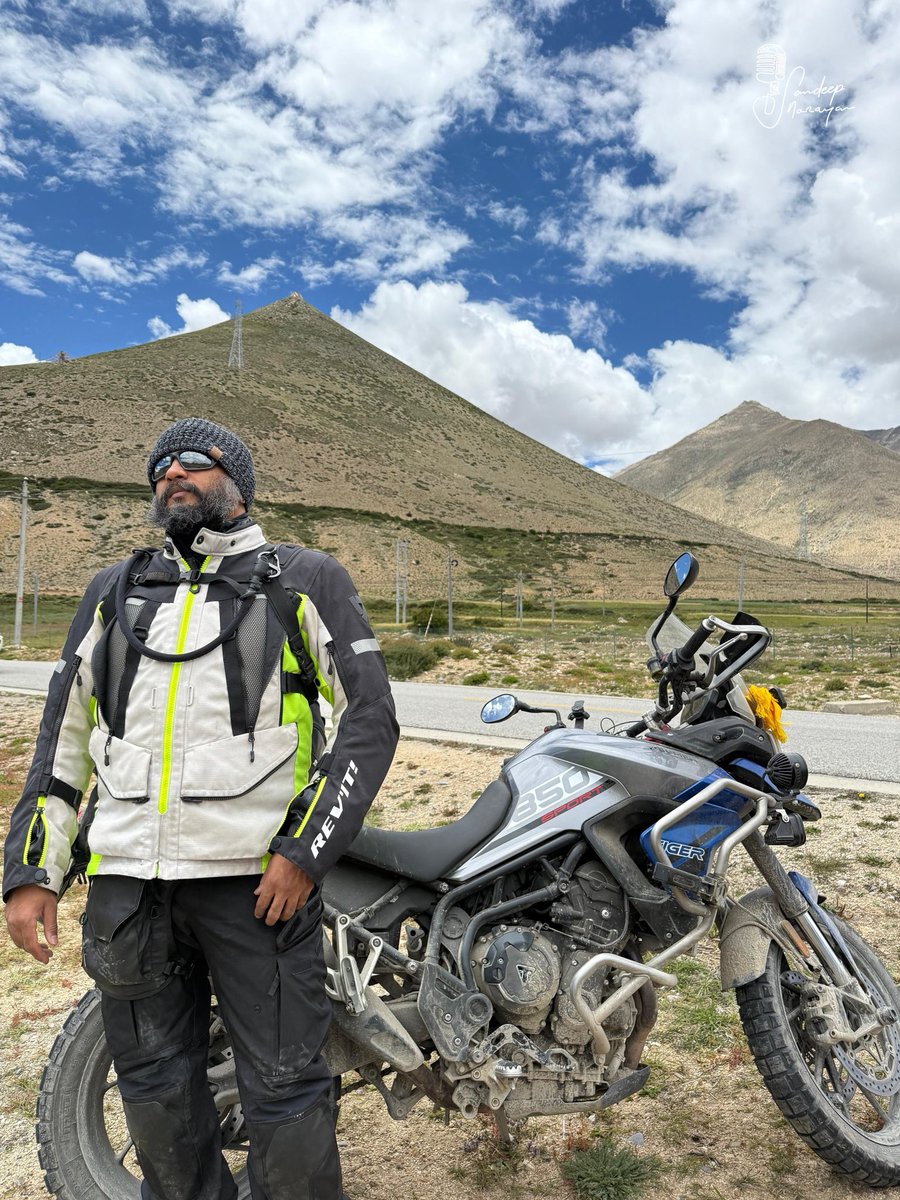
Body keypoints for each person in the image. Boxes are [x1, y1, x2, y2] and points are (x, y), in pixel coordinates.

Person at [3, 417, 399, 1200]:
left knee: (285, 1095)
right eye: (158, 468)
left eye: (192, 461)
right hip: (126, 891)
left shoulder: (303, 579)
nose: (170, 474)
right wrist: (29, 872)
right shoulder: (113, 592)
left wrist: (303, 852)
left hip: (255, 887)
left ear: (238, 482)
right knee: (155, 1095)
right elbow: (64, 741)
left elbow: (369, 721)